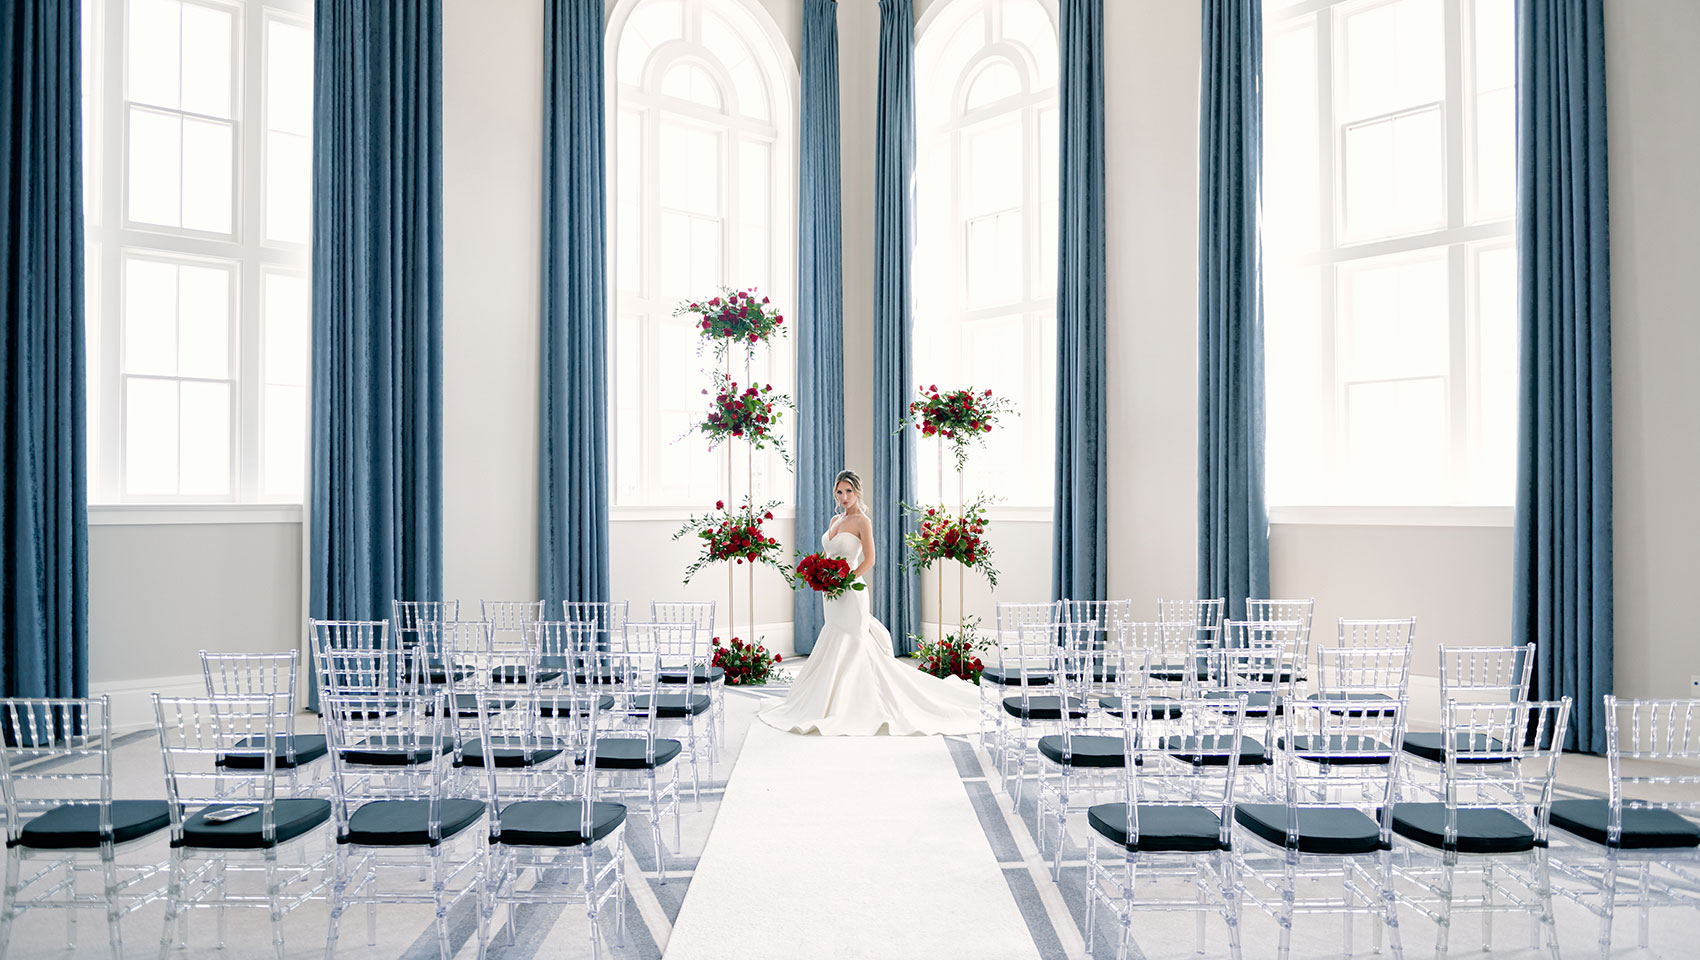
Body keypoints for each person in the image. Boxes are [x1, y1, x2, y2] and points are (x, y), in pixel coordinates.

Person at [759, 470, 980, 736]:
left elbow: (870, 559)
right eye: (839, 492)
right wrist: (821, 575)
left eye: (848, 491)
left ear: (857, 492)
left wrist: (844, 579)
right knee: (834, 638)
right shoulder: (835, 519)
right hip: (831, 594)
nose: (844, 497)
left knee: (853, 643)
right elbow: (827, 554)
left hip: (851, 592)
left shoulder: (863, 521)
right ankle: (827, 700)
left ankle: (856, 703)